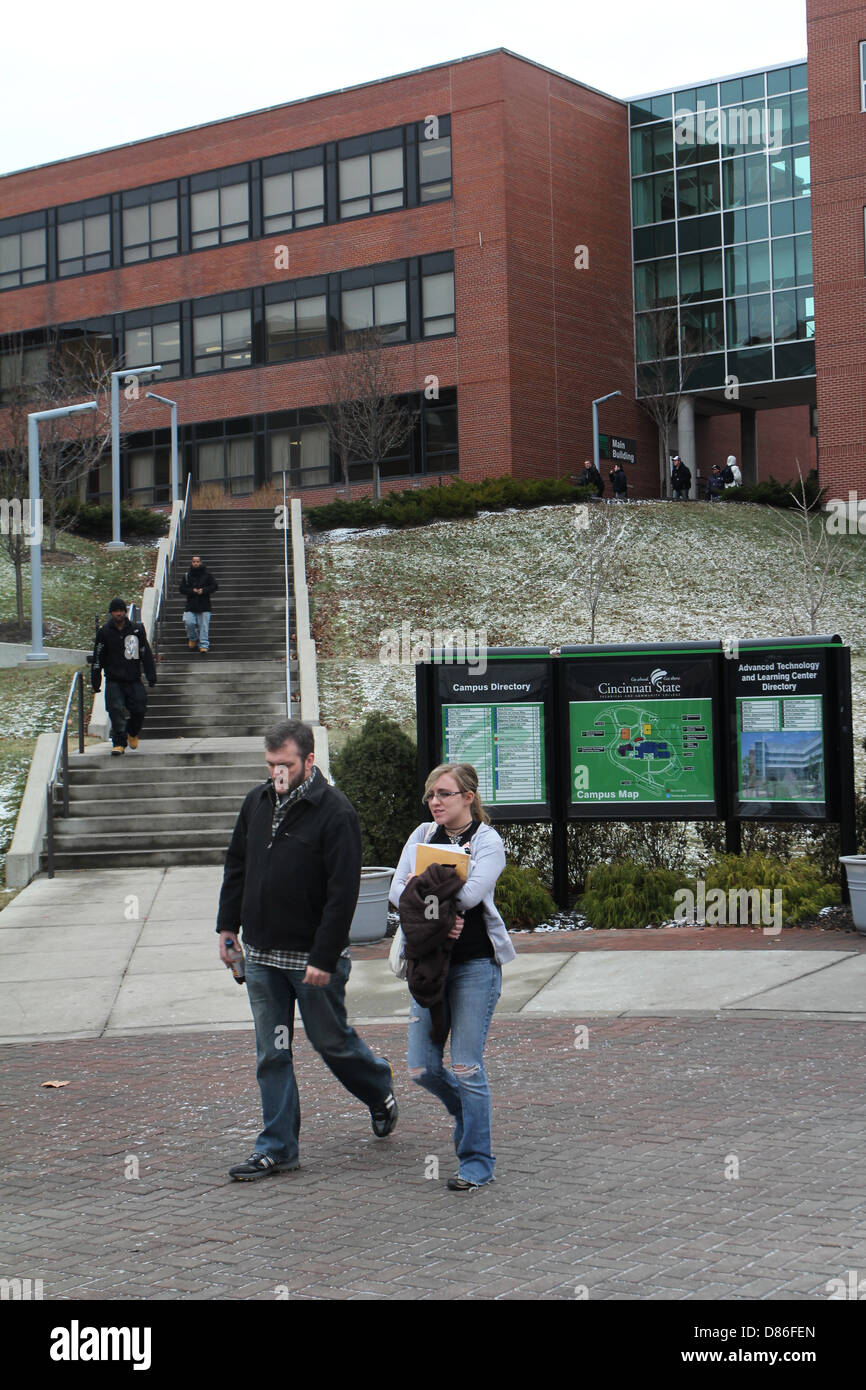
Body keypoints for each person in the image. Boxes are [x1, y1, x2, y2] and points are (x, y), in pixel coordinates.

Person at [216, 719, 397, 1181]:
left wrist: (323, 956)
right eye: (271, 764)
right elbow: (237, 864)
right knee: (272, 1052)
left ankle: (377, 1086)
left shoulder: (334, 812)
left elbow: (343, 893)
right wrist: (226, 927)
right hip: (261, 957)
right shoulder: (256, 803)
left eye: (286, 765)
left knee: (330, 1042)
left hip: (312, 960)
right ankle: (277, 1149)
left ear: (309, 761)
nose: (277, 773)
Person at [390, 762, 514, 1192]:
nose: (435, 802)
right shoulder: (422, 836)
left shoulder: (488, 841)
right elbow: (394, 891)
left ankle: (477, 1160)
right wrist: (439, 908)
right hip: (429, 964)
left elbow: (469, 893)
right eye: (431, 795)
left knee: (465, 1065)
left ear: (468, 797)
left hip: (476, 966)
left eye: (443, 794)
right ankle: (467, 1110)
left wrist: (423, 889)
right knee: (422, 1068)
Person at [90, 598, 157, 755]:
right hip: (114, 679)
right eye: (115, 611)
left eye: (121, 610)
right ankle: (119, 743)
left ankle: (132, 732)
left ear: (125, 612)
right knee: (115, 710)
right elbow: (97, 656)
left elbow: (145, 653)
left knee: (140, 708)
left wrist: (151, 674)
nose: (119, 614)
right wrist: (96, 680)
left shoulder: (136, 630)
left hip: (133, 678)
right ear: (111, 613)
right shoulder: (104, 632)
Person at [179, 554, 218, 652]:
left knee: (204, 625)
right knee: (188, 622)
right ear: (192, 563)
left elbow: (214, 586)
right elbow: (181, 589)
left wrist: (203, 590)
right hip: (191, 604)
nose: (196, 563)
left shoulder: (207, 575)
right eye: (194, 561)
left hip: (204, 604)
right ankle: (193, 638)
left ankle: (204, 644)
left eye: (197, 561)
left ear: (200, 563)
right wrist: (192, 590)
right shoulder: (187, 575)